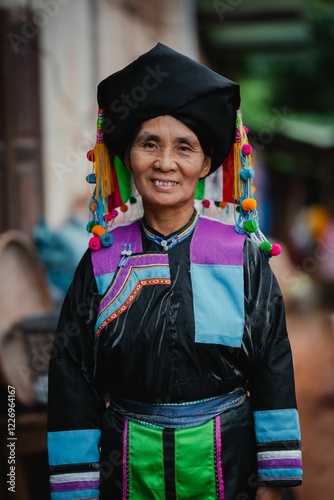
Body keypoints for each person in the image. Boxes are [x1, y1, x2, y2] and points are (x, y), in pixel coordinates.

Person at [47, 43, 303, 500]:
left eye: (184, 148)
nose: (165, 163)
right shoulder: (101, 261)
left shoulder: (241, 254)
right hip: (126, 463)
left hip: (230, 459)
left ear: (206, 164)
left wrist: (275, 480)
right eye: (149, 144)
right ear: (127, 156)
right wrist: (76, 485)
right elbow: (72, 373)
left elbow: (272, 362)